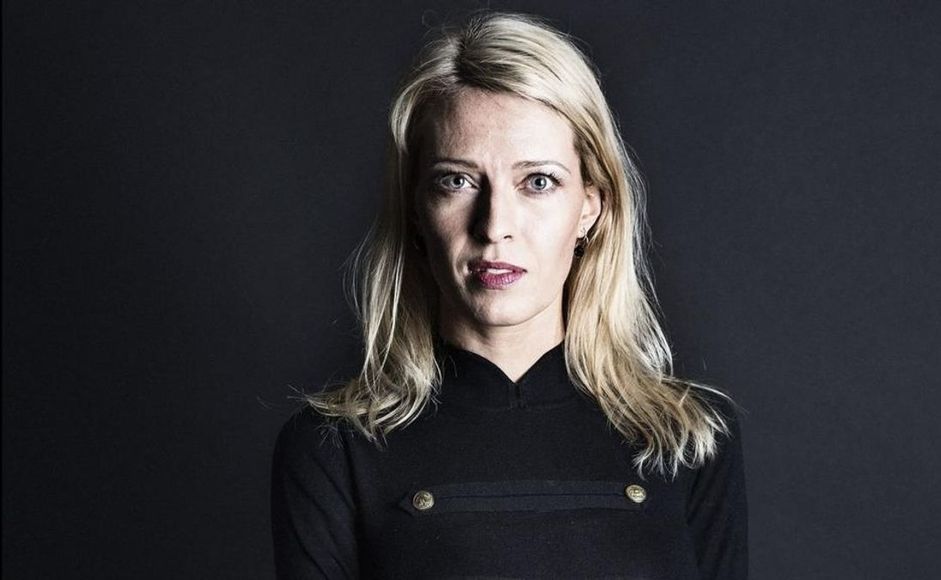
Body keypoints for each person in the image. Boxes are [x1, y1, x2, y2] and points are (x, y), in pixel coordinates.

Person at [271, 10, 748, 579]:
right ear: (416, 210)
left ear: (590, 207)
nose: (495, 225)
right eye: (457, 180)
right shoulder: (334, 448)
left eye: (538, 182)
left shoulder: (689, 438)